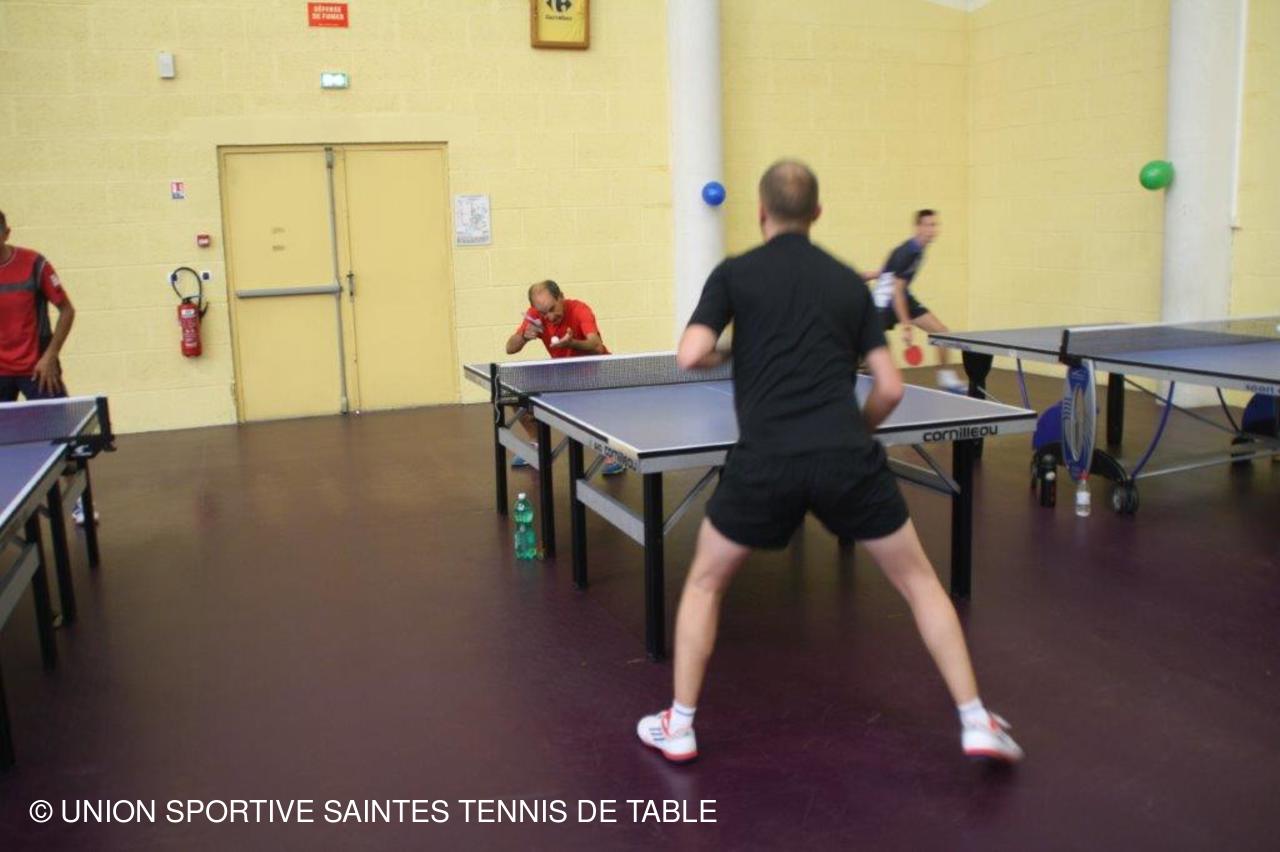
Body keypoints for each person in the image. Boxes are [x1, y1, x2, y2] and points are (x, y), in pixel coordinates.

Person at [635, 162, 1023, 765]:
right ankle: (976, 721)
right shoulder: (847, 282)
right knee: (921, 583)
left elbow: (690, 354)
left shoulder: (735, 273)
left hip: (765, 461)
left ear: (760, 212)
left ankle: (679, 725)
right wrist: (856, 437)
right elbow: (889, 388)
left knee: (706, 583)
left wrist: (740, 350)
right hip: (847, 458)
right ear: (817, 213)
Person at [0, 208, 95, 525]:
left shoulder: (34, 264)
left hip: (38, 369)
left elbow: (67, 310)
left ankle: (80, 502)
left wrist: (50, 355)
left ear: (6, 233)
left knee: (64, 440)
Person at [504, 280, 623, 475]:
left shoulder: (579, 310)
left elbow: (596, 345)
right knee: (514, 394)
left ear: (561, 296)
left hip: (596, 373)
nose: (549, 317)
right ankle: (537, 444)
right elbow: (510, 348)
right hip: (563, 374)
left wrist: (572, 343)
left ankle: (613, 452)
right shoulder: (536, 315)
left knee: (595, 413)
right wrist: (524, 336)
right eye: (544, 313)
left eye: (552, 309)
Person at [869, 210, 964, 392]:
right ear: (918, 227)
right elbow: (896, 292)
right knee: (884, 368)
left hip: (902, 296)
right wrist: (906, 326)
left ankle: (945, 378)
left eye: (934, 225)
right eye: (928, 225)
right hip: (884, 305)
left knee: (941, 333)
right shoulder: (907, 252)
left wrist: (870, 274)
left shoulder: (919, 249)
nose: (932, 229)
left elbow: (891, 271)